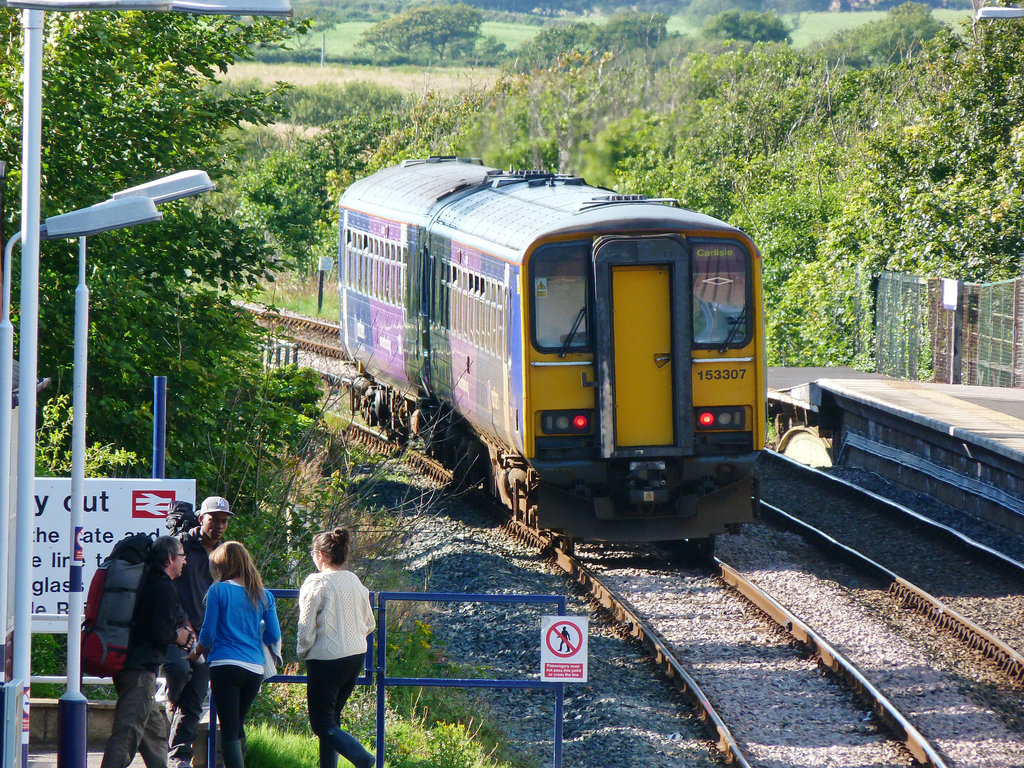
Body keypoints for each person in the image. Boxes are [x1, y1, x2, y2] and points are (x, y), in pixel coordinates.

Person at [101, 536, 193, 768]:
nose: (185, 561)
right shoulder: (163, 587)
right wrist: (179, 637)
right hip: (139, 672)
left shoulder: (150, 582)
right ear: (170, 558)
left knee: (154, 736)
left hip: (133, 667)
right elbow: (159, 631)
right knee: (126, 734)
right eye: (182, 556)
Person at [196, 540, 281, 768]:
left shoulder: (218, 590)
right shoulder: (264, 595)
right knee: (237, 723)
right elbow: (273, 635)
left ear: (221, 566)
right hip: (254, 668)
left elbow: (207, 634)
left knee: (230, 729)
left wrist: (195, 653)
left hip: (224, 665)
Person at [298, 527, 376, 768]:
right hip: (355, 656)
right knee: (332, 720)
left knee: (321, 724)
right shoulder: (354, 580)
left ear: (321, 555)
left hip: (325, 660)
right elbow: (370, 623)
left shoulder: (316, 582)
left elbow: (306, 626)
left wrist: (303, 652)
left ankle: (363, 758)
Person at [164, 494, 232, 768]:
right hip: (177, 630)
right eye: (214, 519)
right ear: (201, 517)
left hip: (207, 636)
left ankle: (180, 756)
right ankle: (170, 698)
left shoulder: (226, 551)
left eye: (223, 521)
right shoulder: (180, 545)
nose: (218, 525)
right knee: (179, 674)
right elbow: (163, 582)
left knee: (194, 699)